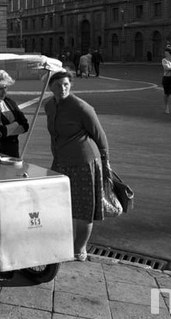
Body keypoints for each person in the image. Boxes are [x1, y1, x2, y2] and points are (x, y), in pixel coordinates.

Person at [44, 70, 110, 261]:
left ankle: (79, 249)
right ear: (50, 87)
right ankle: (63, 243)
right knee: (60, 206)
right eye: (57, 85)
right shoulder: (49, 106)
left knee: (83, 209)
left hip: (84, 162)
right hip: (61, 161)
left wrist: (105, 163)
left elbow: (100, 136)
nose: (62, 88)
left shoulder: (81, 107)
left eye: (66, 84)